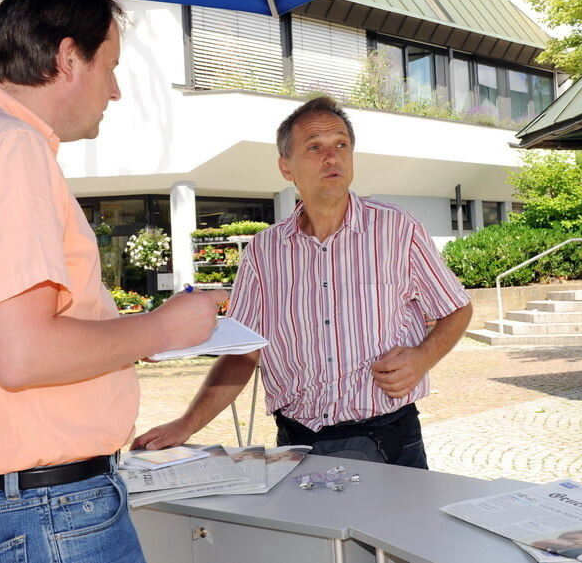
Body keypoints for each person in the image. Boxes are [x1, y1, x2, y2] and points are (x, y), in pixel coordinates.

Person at [0, 0, 224, 563]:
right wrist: (164, 329)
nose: (116, 89)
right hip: (48, 511)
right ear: (70, 58)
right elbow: (22, 353)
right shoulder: (4, 146)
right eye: (111, 67)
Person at [134, 96, 473, 468]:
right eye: (315, 147)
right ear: (286, 167)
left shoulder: (397, 229)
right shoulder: (264, 252)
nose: (332, 158)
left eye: (341, 145)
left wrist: (423, 357)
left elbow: (456, 307)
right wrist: (187, 425)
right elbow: (244, 354)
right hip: (298, 445)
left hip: (391, 439)